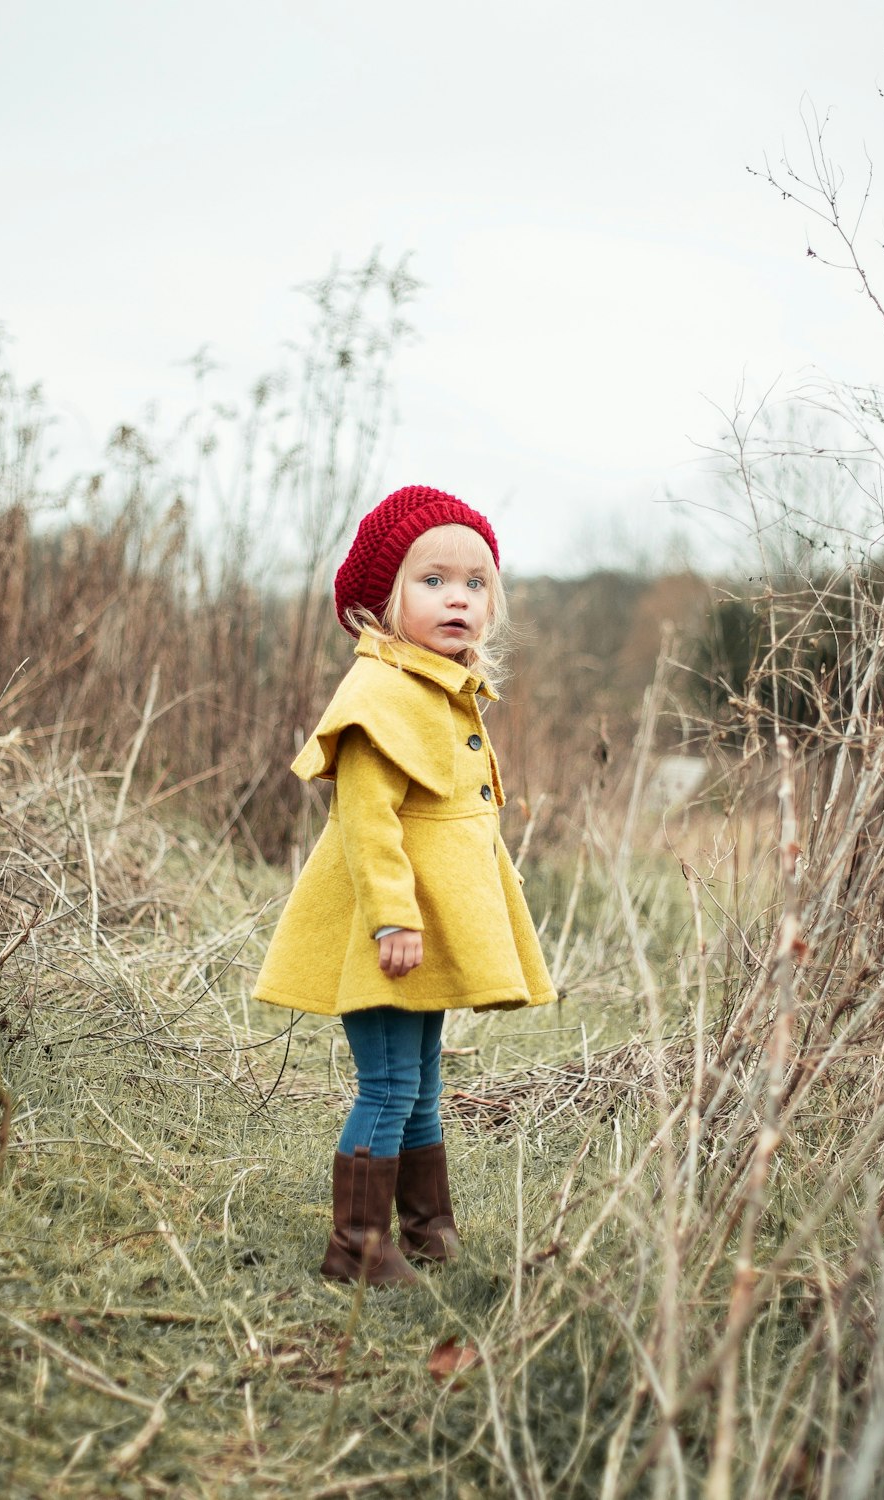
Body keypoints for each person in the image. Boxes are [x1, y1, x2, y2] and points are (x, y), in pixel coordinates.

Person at [253, 484, 556, 1286]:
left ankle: (426, 1228)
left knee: (423, 1082)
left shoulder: (441, 688)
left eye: (475, 582)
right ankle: (356, 1249)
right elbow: (367, 821)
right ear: (383, 600)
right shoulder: (378, 695)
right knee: (387, 1084)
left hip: (427, 931)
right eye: (432, 580)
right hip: (388, 933)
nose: (457, 596)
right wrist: (392, 918)